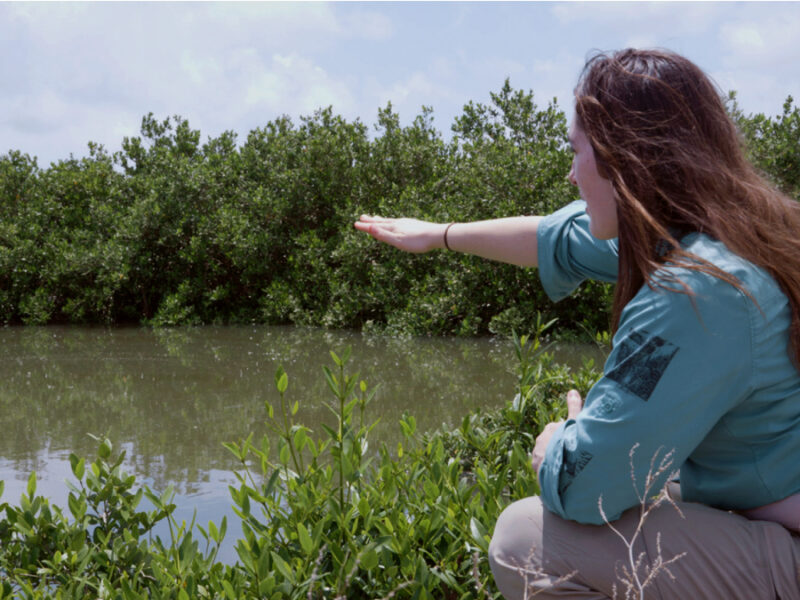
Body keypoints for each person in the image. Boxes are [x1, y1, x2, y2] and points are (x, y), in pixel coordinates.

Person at [355, 48, 800, 599]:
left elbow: (587, 485)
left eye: (576, 151)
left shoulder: (697, 289)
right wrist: (441, 234)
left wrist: (558, 443)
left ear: (622, 159)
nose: (570, 172)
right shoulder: (751, 228)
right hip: (771, 497)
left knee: (526, 539)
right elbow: (560, 238)